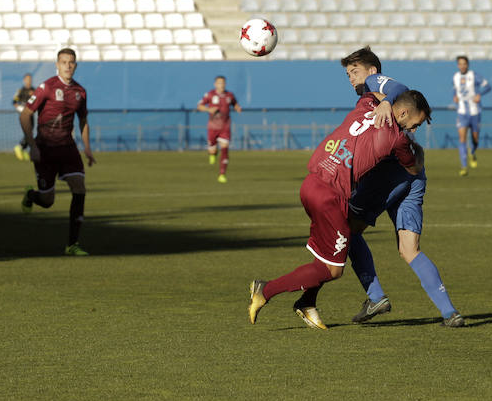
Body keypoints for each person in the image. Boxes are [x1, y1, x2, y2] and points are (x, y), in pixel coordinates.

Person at [248, 89, 430, 330]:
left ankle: (307, 302)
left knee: (325, 254)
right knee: (332, 270)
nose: (413, 130)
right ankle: (265, 290)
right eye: (414, 123)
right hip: (331, 197)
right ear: (404, 112)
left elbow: (374, 86)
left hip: (311, 183)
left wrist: (385, 100)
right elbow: (413, 168)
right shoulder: (398, 138)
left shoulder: (366, 104)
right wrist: (419, 152)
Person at [340, 48, 465, 328]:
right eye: (347, 74)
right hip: (415, 177)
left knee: (347, 230)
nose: (350, 78)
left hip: (391, 175)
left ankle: (375, 297)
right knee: (410, 250)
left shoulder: (376, 84)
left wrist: (386, 102)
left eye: (354, 71)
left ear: (372, 70)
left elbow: (399, 88)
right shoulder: (373, 98)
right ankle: (450, 312)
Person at [19, 49, 96, 256]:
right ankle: (31, 195)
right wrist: (33, 146)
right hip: (45, 149)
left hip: (68, 148)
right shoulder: (47, 87)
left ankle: (72, 244)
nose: (68, 66)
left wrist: (87, 148)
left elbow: (84, 120)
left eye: (71, 63)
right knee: (47, 201)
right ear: (57, 65)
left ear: (76, 66)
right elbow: (25, 115)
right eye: (64, 62)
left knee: (79, 187)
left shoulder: (80, 92)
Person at [197, 76, 241, 184]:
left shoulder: (229, 95)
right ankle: (212, 153)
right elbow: (199, 106)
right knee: (212, 149)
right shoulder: (210, 94)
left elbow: (234, 103)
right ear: (215, 84)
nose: (221, 85)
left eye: (223, 83)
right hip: (212, 127)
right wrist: (209, 109)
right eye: (219, 83)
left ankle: (222, 174)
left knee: (225, 148)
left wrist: (237, 107)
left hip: (225, 127)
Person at [453, 55, 491, 174]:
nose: (462, 66)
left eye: (464, 63)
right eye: (460, 64)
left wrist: (480, 94)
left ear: (467, 65)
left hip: (475, 112)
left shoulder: (474, 76)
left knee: (475, 139)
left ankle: (473, 152)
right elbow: (455, 90)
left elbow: (488, 86)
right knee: (462, 138)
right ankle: (464, 166)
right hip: (462, 112)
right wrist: (454, 97)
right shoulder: (455, 77)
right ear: (458, 65)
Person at [12, 73, 35, 161]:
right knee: (28, 131)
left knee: (30, 131)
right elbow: (14, 102)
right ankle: (20, 147)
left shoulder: (34, 90)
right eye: (27, 79)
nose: (29, 81)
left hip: (31, 114)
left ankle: (23, 149)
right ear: (24, 80)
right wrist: (20, 108)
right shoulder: (21, 91)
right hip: (23, 115)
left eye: (30, 79)